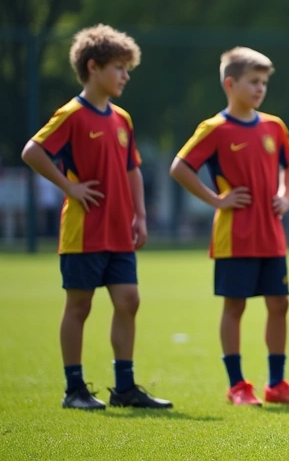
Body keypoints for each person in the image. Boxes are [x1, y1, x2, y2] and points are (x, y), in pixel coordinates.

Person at [21, 25, 171, 410]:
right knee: (79, 306)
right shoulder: (72, 114)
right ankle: (74, 390)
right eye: (119, 67)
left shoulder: (122, 118)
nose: (125, 76)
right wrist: (69, 187)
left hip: (120, 230)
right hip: (84, 230)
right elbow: (32, 151)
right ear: (93, 67)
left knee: (129, 300)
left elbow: (132, 169)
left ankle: (124, 388)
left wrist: (140, 215)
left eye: (127, 68)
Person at [169, 47, 289, 406]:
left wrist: (285, 196)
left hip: (270, 234)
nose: (260, 89)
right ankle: (237, 386)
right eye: (253, 82)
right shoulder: (214, 128)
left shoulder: (274, 126)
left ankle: (277, 385)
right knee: (235, 307)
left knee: (280, 303)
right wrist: (217, 200)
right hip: (235, 236)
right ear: (230, 83)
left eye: (264, 82)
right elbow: (179, 167)